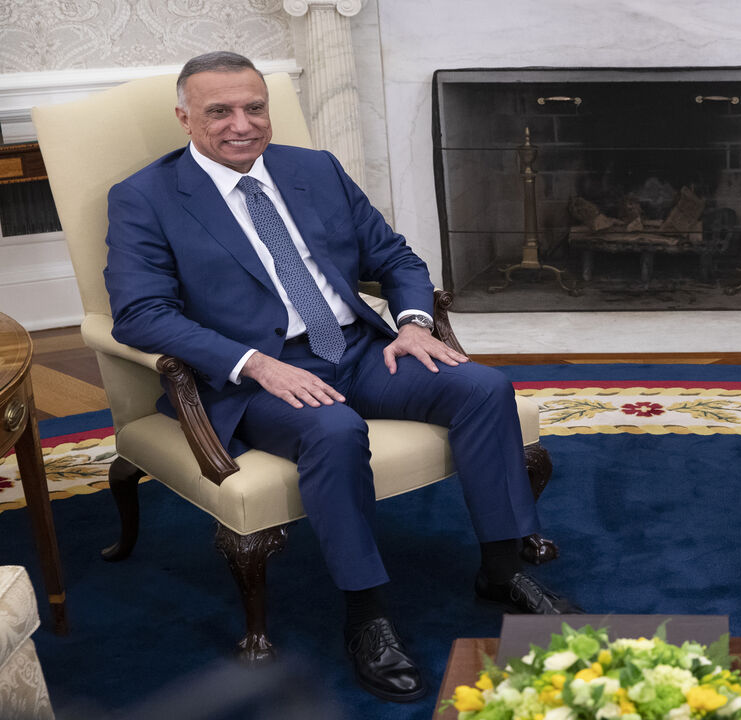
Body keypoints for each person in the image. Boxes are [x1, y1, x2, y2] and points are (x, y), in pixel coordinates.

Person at [103, 51, 580, 704]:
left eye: (254, 106)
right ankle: (369, 616)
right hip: (259, 379)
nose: (242, 123)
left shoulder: (313, 168)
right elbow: (140, 314)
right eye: (220, 111)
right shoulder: (145, 198)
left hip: (359, 351)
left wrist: (412, 322)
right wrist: (256, 364)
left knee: (482, 387)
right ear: (184, 117)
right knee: (333, 429)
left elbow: (393, 255)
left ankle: (501, 571)